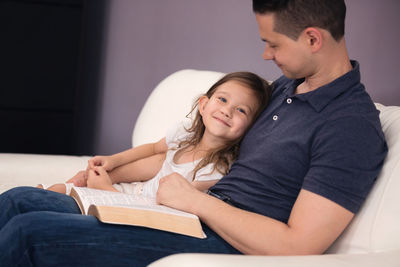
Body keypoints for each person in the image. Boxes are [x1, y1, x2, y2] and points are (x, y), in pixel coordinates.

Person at [0, 0, 388, 266]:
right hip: (183, 216)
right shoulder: (285, 90)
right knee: (18, 201)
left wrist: (195, 202)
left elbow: (298, 246)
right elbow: (190, 145)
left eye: (272, 44)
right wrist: (115, 173)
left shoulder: (350, 127)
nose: (266, 55)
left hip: (219, 243)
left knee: (28, 232)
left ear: (313, 38)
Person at [38, 72, 271, 197]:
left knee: (82, 189)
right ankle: (52, 194)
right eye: (222, 99)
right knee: (60, 188)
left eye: (241, 110)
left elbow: (164, 208)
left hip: (141, 211)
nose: (227, 111)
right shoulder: (184, 135)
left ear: (250, 127)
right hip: (129, 194)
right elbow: (151, 149)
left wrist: (104, 189)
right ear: (203, 105)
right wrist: (113, 161)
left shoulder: (217, 170)